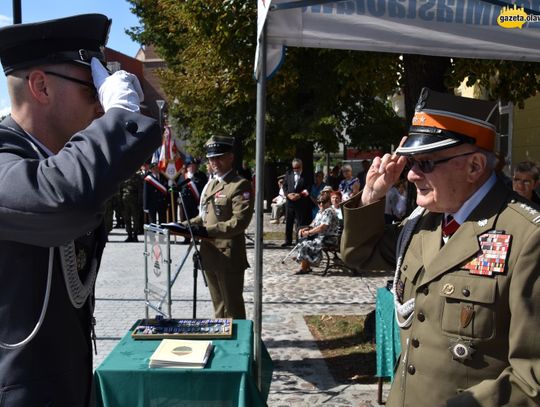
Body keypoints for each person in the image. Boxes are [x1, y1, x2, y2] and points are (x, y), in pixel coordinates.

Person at [341, 88, 540, 406]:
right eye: (411, 161)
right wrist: (371, 197)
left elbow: (533, 378)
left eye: (427, 163)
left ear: (474, 166)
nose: (412, 174)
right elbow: (359, 255)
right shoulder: (426, 222)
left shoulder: (528, 237)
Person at [0, 14, 161, 406]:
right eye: (94, 90)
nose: (102, 106)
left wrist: (131, 108)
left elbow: (152, 116)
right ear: (40, 86)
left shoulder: (61, 160)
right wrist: (121, 116)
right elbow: (62, 201)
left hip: (67, 382)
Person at [183, 136, 254, 319]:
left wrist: (207, 231)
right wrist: (183, 226)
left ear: (231, 157)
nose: (214, 162)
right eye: (211, 158)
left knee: (233, 309)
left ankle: (237, 346)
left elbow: (239, 222)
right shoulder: (212, 184)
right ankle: (222, 344)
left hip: (228, 255)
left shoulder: (239, 185)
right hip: (209, 253)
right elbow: (204, 217)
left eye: (219, 157)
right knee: (219, 309)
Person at [294, 194, 340, 275]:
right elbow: (314, 224)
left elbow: (322, 227)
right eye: (319, 202)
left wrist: (308, 232)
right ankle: (306, 265)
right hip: (321, 237)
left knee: (304, 244)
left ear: (329, 202)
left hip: (329, 238)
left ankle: (304, 267)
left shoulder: (329, 211)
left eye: (324, 202)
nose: (321, 204)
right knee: (303, 240)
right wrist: (306, 228)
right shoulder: (320, 211)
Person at [282, 158, 313, 246]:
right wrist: (288, 195)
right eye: (294, 168)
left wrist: (299, 195)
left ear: (301, 166)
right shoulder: (289, 173)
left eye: (297, 167)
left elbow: (308, 188)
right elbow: (284, 186)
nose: (296, 169)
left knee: (299, 222)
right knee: (289, 221)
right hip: (290, 202)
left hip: (301, 202)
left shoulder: (307, 175)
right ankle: (288, 240)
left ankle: (298, 240)